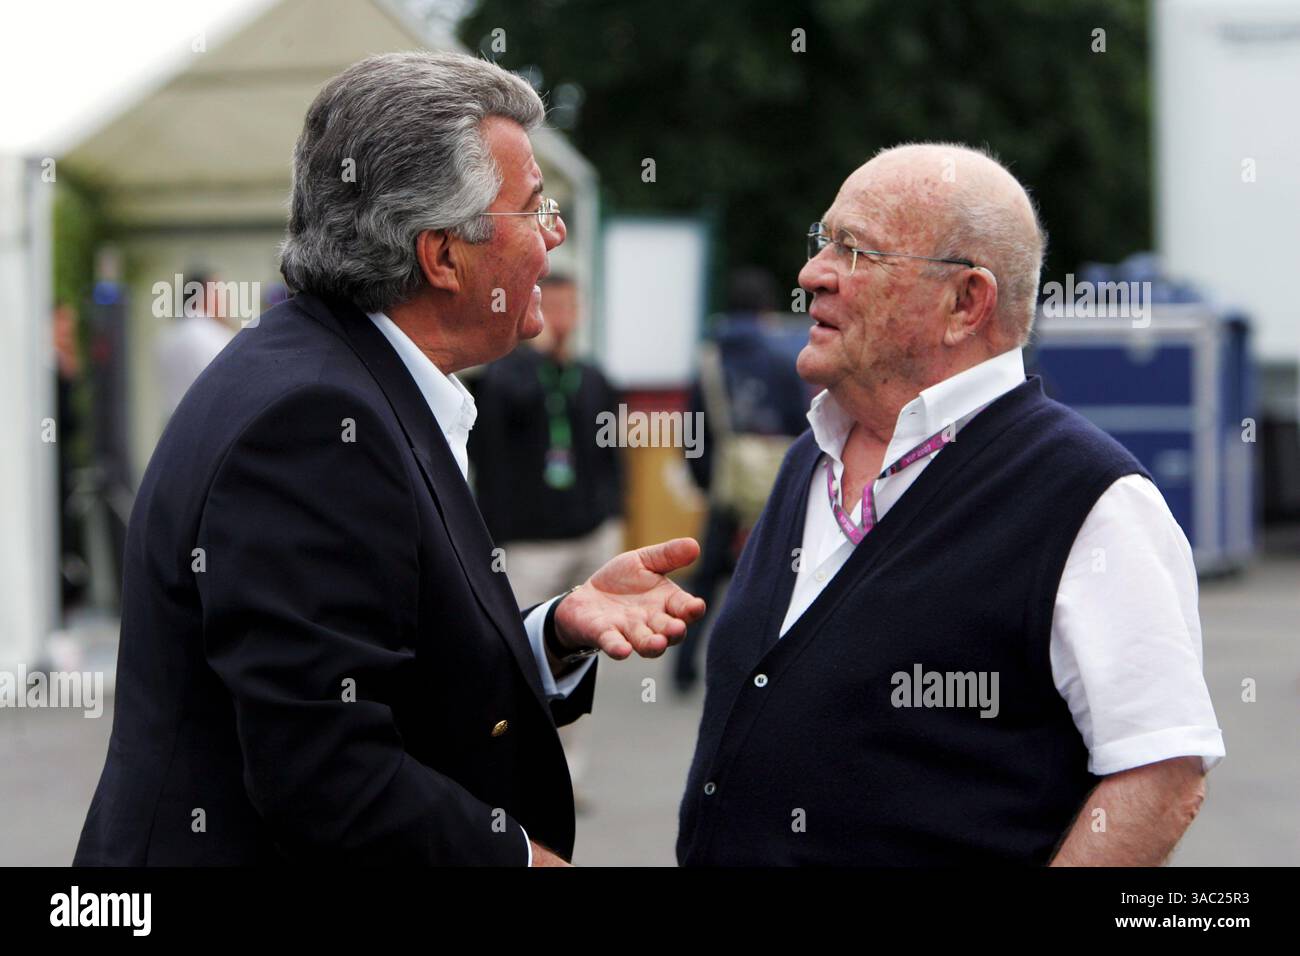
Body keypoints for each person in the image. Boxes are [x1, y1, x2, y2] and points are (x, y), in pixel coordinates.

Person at [74, 51, 705, 868]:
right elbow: (324, 770)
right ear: (442, 256)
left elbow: (377, 669)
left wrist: (553, 633)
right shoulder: (313, 422)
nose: (553, 239)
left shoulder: (334, 374)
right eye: (536, 209)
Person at [677, 143, 1224, 866]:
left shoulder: (1088, 497)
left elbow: (1160, 777)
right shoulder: (811, 456)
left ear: (966, 303)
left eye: (856, 251)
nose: (813, 274)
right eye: (822, 242)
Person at [469, 273, 625, 802]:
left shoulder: (593, 377)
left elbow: (611, 456)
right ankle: (511, 772)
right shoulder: (505, 378)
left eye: (570, 303)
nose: (562, 315)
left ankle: (566, 774)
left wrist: (612, 517)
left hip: (587, 535)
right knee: (519, 659)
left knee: (575, 663)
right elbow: (486, 458)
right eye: (551, 304)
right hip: (527, 544)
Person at [673, 267, 809, 693]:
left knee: (707, 575)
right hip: (774, 483)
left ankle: (684, 667)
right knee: (779, 573)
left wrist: (706, 481)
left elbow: (693, 429)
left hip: (727, 484)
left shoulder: (711, 357)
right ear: (767, 307)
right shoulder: (787, 356)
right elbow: (803, 421)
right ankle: (771, 670)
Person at [154, 272, 235, 420]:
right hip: (206, 424)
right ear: (203, 296)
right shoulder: (217, 336)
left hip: (172, 424)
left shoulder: (167, 336)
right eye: (218, 293)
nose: (225, 301)